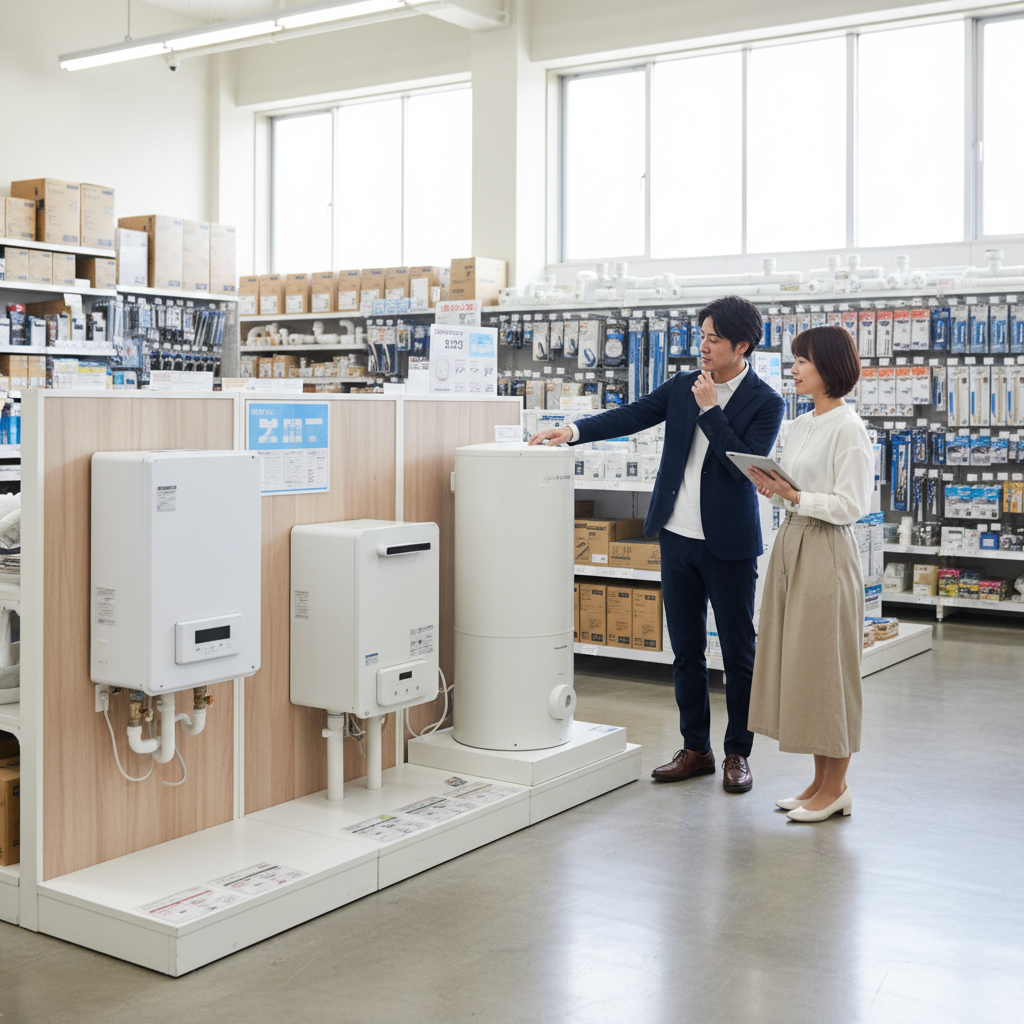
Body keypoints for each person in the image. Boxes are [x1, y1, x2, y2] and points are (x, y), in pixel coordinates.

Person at [529, 295, 784, 794]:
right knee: (685, 651)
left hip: (728, 545)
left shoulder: (767, 402)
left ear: (742, 345)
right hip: (676, 536)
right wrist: (572, 430)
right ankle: (696, 749)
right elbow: (632, 415)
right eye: (702, 336)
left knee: (738, 652)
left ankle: (738, 753)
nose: (703, 347)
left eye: (713, 339)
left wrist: (711, 411)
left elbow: (742, 471)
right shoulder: (683, 385)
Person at [745, 325, 873, 823]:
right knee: (802, 660)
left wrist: (798, 497)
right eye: (795, 360)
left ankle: (837, 785)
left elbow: (851, 505)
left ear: (830, 369)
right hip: (793, 542)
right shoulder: (800, 424)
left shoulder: (850, 428)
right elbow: (800, 486)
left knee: (827, 667)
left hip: (827, 549)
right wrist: (775, 486)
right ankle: (820, 781)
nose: (794, 368)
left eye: (803, 361)